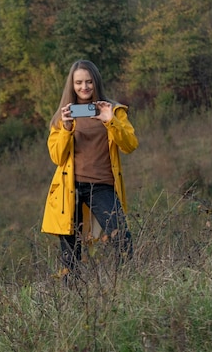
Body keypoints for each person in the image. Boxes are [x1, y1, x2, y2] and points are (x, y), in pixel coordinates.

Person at [41, 60, 138, 275]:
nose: (84, 87)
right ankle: (71, 296)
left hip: (102, 186)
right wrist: (66, 128)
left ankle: (126, 283)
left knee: (121, 238)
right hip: (70, 188)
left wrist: (110, 121)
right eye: (78, 83)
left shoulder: (114, 110)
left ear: (96, 82)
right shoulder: (62, 116)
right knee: (70, 252)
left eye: (88, 81)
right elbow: (57, 157)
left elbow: (130, 145)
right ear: (72, 85)